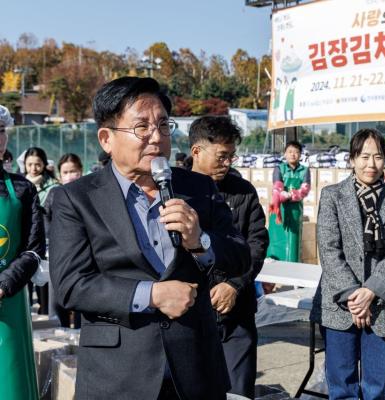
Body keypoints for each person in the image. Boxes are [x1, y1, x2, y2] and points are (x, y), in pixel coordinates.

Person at [49, 77, 251, 400]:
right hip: (117, 377)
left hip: (196, 373)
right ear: (106, 138)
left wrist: (201, 242)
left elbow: (241, 255)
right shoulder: (75, 199)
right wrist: (153, 295)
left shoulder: (199, 189)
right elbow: (71, 285)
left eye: (162, 125)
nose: (156, 138)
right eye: (141, 127)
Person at [310, 128, 385, 400]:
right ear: (352, 159)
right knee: (342, 386)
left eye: (378, 157)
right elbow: (329, 250)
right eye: (364, 156)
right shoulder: (333, 195)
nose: (371, 164)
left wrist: (370, 291)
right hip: (340, 303)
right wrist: (355, 296)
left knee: (376, 387)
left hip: (381, 303)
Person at [189, 115, 269, 399]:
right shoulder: (172, 189)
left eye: (232, 157)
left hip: (237, 312)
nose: (228, 163)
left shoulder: (242, 191)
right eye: (222, 156)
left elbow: (257, 243)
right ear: (196, 151)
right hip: (189, 312)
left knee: (238, 391)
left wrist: (235, 284)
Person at [0, 104, 46, 400]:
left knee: (11, 385)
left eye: (1, 131)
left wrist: (5, 284)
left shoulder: (22, 189)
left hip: (9, 306)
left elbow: (33, 250)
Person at [43, 153, 84, 328]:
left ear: (80, 171)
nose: (69, 175)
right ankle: (60, 335)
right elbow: (45, 218)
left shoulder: (87, 192)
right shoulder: (55, 193)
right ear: (59, 175)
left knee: (84, 297)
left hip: (84, 256)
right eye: (65, 172)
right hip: (58, 255)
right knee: (57, 300)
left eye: (73, 171)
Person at [24, 146, 58, 315]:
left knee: (44, 278)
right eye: (29, 164)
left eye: (37, 164)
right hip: (24, 239)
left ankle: (46, 311)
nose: (33, 168)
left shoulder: (53, 187)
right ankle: (27, 307)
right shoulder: (20, 185)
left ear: (44, 164)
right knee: (25, 277)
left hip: (46, 239)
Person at [267, 140, 310, 263]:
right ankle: (274, 262)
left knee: (293, 238)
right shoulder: (279, 169)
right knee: (277, 237)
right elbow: (277, 186)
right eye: (290, 152)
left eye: (296, 152)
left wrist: (291, 195)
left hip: (296, 209)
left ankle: (293, 265)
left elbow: (305, 189)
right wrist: (280, 195)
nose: (293, 154)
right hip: (280, 209)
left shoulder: (305, 170)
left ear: (300, 155)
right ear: (285, 154)